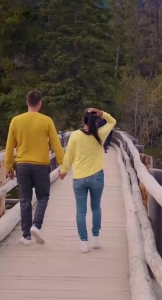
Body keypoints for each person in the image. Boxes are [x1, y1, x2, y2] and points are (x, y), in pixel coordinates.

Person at [5, 90, 65, 246]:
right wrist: (63, 165)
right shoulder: (46, 121)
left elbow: (9, 147)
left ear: (27, 102)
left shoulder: (16, 121)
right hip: (41, 165)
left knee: (24, 199)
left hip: (22, 165)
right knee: (43, 196)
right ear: (39, 103)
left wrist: (9, 167)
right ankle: (36, 225)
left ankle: (26, 236)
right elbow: (56, 145)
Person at [59, 108, 116, 253]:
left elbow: (69, 155)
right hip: (97, 176)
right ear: (96, 120)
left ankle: (84, 242)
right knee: (96, 207)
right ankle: (95, 238)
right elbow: (112, 122)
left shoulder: (75, 136)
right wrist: (102, 113)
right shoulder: (100, 134)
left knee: (81, 211)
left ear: (82, 120)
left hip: (79, 178)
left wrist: (64, 171)